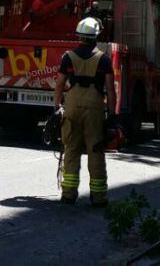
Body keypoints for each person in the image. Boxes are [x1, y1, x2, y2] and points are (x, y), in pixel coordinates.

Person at [53, 17, 117, 207]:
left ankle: (68, 194)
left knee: (71, 149)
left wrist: (56, 107)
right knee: (95, 151)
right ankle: (98, 197)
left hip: (72, 107)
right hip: (94, 109)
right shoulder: (103, 59)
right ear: (96, 36)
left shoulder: (68, 57)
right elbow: (110, 90)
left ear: (79, 36)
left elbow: (59, 85)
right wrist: (112, 115)